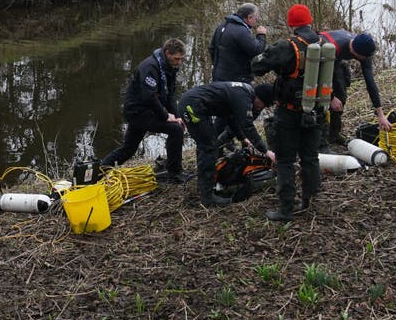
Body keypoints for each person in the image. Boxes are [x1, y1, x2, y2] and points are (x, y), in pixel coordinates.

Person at [250, 3, 325, 221]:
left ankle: (286, 209)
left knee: (284, 159)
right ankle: (309, 199)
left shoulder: (286, 46)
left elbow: (257, 66)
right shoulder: (322, 42)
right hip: (316, 110)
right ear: (309, 21)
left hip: (289, 112)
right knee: (310, 157)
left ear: (291, 24)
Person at [101, 38, 187, 183]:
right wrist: (166, 116)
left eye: (181, 59)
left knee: (128, 149)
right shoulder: (150, 67)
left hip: (148, 111)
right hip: (138, 112)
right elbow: (149, 97)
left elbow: (170, 96)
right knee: (175, 130)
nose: (179, 62)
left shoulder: (169, 68)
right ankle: (174, 173)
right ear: (167, 53)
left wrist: (178, 116)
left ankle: (99, 170)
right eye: (176, 59)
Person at [178, 81, 274, 207]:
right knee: (208, 147)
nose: (261, 108)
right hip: (192, 107)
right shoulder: (244, 98)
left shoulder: (245, 94)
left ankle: (205, 186)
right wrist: (266, 151)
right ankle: (207, 198)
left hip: (197, 105)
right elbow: (248, 126)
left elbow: (232, 119)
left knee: (207, 145)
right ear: (258, 97)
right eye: (263, 104)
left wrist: (241, 138)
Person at [318, 30, 393, 145]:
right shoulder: (332, 48)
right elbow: (320, 74)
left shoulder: (363, 50)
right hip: (320, 61)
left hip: (337, 62)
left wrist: (380, 114)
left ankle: (333, 135)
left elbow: (370, 83)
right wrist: (331, 97)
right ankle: (320, 138)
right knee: (322, 101)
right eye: (364, 57)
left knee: (341, 96)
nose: (366, 59)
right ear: (356, 52)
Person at [210, 3, 268, 82]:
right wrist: (261, 35)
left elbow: (212, 48)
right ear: (249, 17)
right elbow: (256, 50)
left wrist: (218, 66)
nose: (256, 22)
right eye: (256, 19)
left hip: (218, 76)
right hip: (236, 79)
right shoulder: (241, 31)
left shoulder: (221, 26)